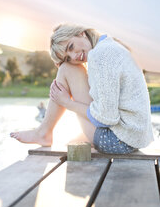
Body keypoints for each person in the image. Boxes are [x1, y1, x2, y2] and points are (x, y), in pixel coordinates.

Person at [10, 24, 154, 154]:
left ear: (81, 33)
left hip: (118, 141)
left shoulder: (99, 55)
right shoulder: (109, 46)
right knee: (72, 142)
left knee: (66, 69)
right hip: (134, 137)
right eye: (67, 57)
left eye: (71, 47)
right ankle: (56, 133)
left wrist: (68, 103)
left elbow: (106, 119)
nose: (74, 57)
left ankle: (43, 132)